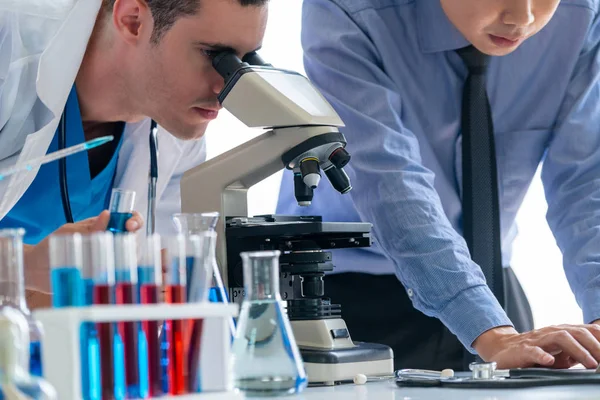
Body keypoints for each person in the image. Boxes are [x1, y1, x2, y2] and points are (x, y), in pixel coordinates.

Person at [277, 0, 600, 370]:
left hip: (495, 290)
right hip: (346, 299)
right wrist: (491, 332)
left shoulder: (583, 15)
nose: (522, 18)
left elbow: (587, 182)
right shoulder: (346, 10)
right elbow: (389, 179)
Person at [0, 0, 268, 306]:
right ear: (132, 20)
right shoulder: (8, 50)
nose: (226, 86)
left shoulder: (176, 127)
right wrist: (27, 264)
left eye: (243, 61)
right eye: (212, 55)